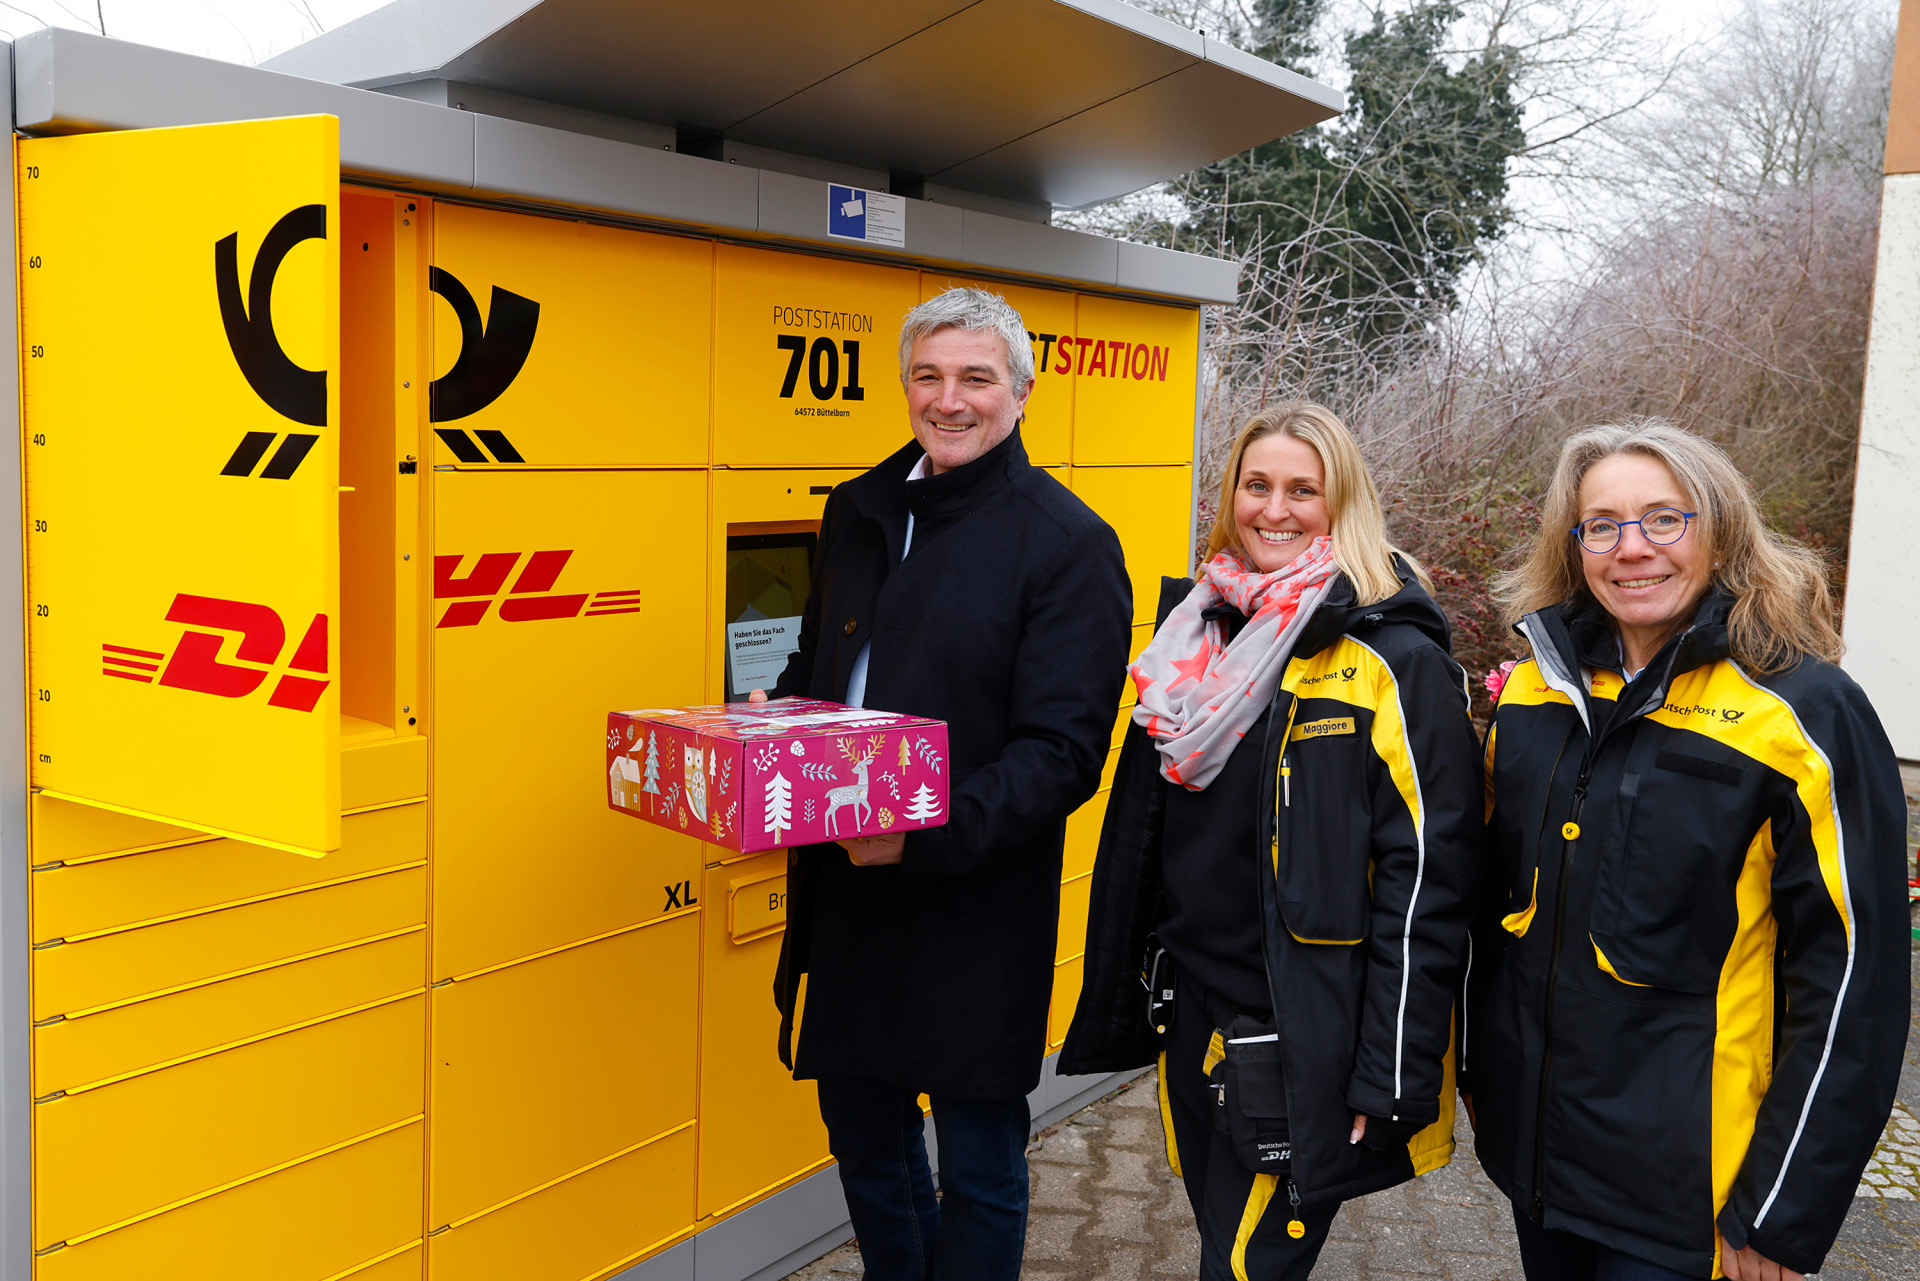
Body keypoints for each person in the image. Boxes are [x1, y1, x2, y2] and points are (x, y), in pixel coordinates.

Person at [1468, 419, 1908, 1280]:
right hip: (1540, 1171)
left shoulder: (1804, 714)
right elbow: (1495, 914)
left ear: (1721, 528)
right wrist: (1486, 1075)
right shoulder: (1532, 690)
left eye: (1664, 519)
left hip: (1692, 1201)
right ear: (1576, 544)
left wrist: (1782, 1208)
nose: (1632, 548)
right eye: (1602, 524)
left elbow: (1854, 980)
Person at [753, 287, 1132, 1281]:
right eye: (928, 375)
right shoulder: (857, 509)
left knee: (978, 1167)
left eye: (974, 377)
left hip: (972, 910)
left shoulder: (1067, 543)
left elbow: (1062, 754)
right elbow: (817, 679)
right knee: (866, 1146)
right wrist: (766, 738)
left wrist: (918, 835)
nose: (948, 398)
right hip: (847, 898)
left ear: (1022, 389)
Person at [1062, 402, 1482, 1280]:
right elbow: (1146, 838)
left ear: (1345, 503)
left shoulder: (1394, 658)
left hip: (1304, 1029)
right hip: (1194, 1011)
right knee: (1223, 1243)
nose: (1275, 509)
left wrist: (1392, 1070)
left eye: (1304, 489)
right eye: (1257, 485)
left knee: (1247, 1266)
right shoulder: (1197, 633)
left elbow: (1430, 882)